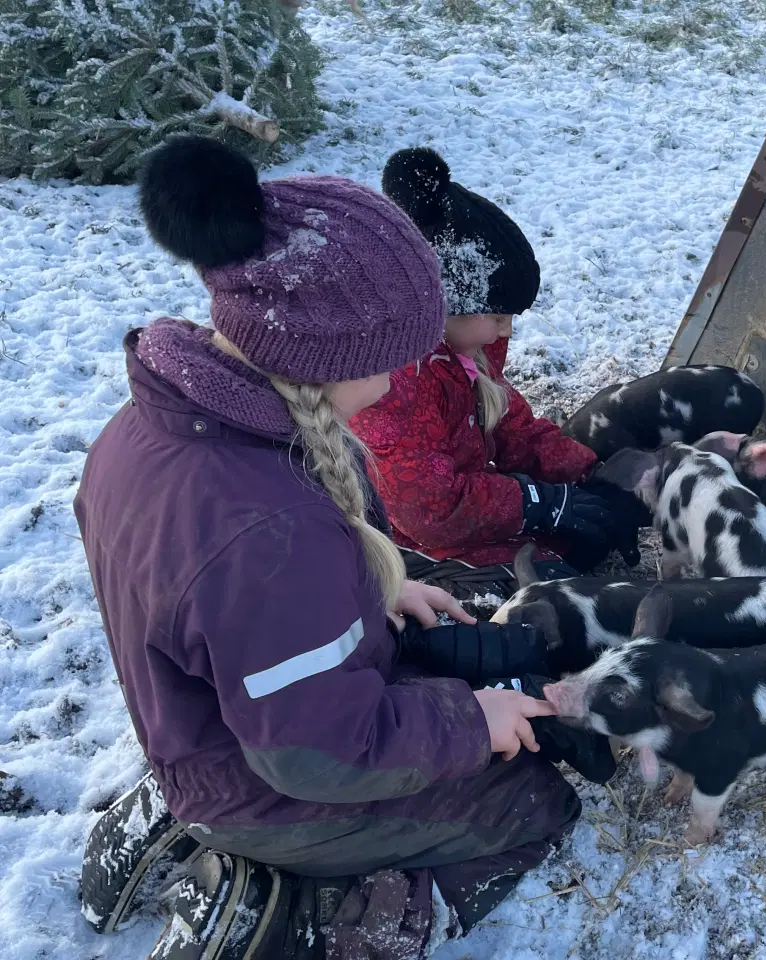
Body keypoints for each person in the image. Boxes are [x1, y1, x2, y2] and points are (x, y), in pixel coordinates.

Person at [72, 135, 599, 959]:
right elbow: (318, 754)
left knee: (445, 663)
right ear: (324, 356)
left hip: (212, 712)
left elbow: (213, 602)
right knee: (531, 805)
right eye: (386, 361)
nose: (393, 385)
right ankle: (296, 923)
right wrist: (472, 723)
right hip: (271, 773)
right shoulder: (269, 532)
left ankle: (185, 808)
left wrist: (373, 590)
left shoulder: (161, 422)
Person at [350, 148, 648, 609]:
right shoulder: (392, 384)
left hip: (456, 499)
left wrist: (588, 477)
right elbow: (429, 508)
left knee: (588, 536)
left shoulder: (467, 349)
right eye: (497, 314)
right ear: (441, 304)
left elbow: (506, 422)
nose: (507, 329)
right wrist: (538, 502)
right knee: (546, 599)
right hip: (398, 533)